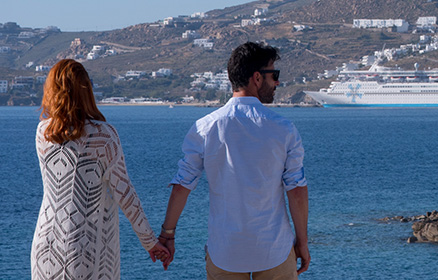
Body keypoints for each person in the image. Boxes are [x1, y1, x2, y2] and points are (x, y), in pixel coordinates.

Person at [160, 42, 309, 279]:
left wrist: (167, 234)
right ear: (257, 78)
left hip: (225, 251)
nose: (277, 82)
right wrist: (302, 241)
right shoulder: (284, 129)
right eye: (274, 74)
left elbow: (182, 185)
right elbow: (297, 190)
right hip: (275, 250)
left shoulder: (205, 128)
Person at [31, 59, 170, 279]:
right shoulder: (104, 136)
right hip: (86, 248)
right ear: (86, 90)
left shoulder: (43, 133)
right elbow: (125, 195)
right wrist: (150, 242)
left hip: (45, 245)